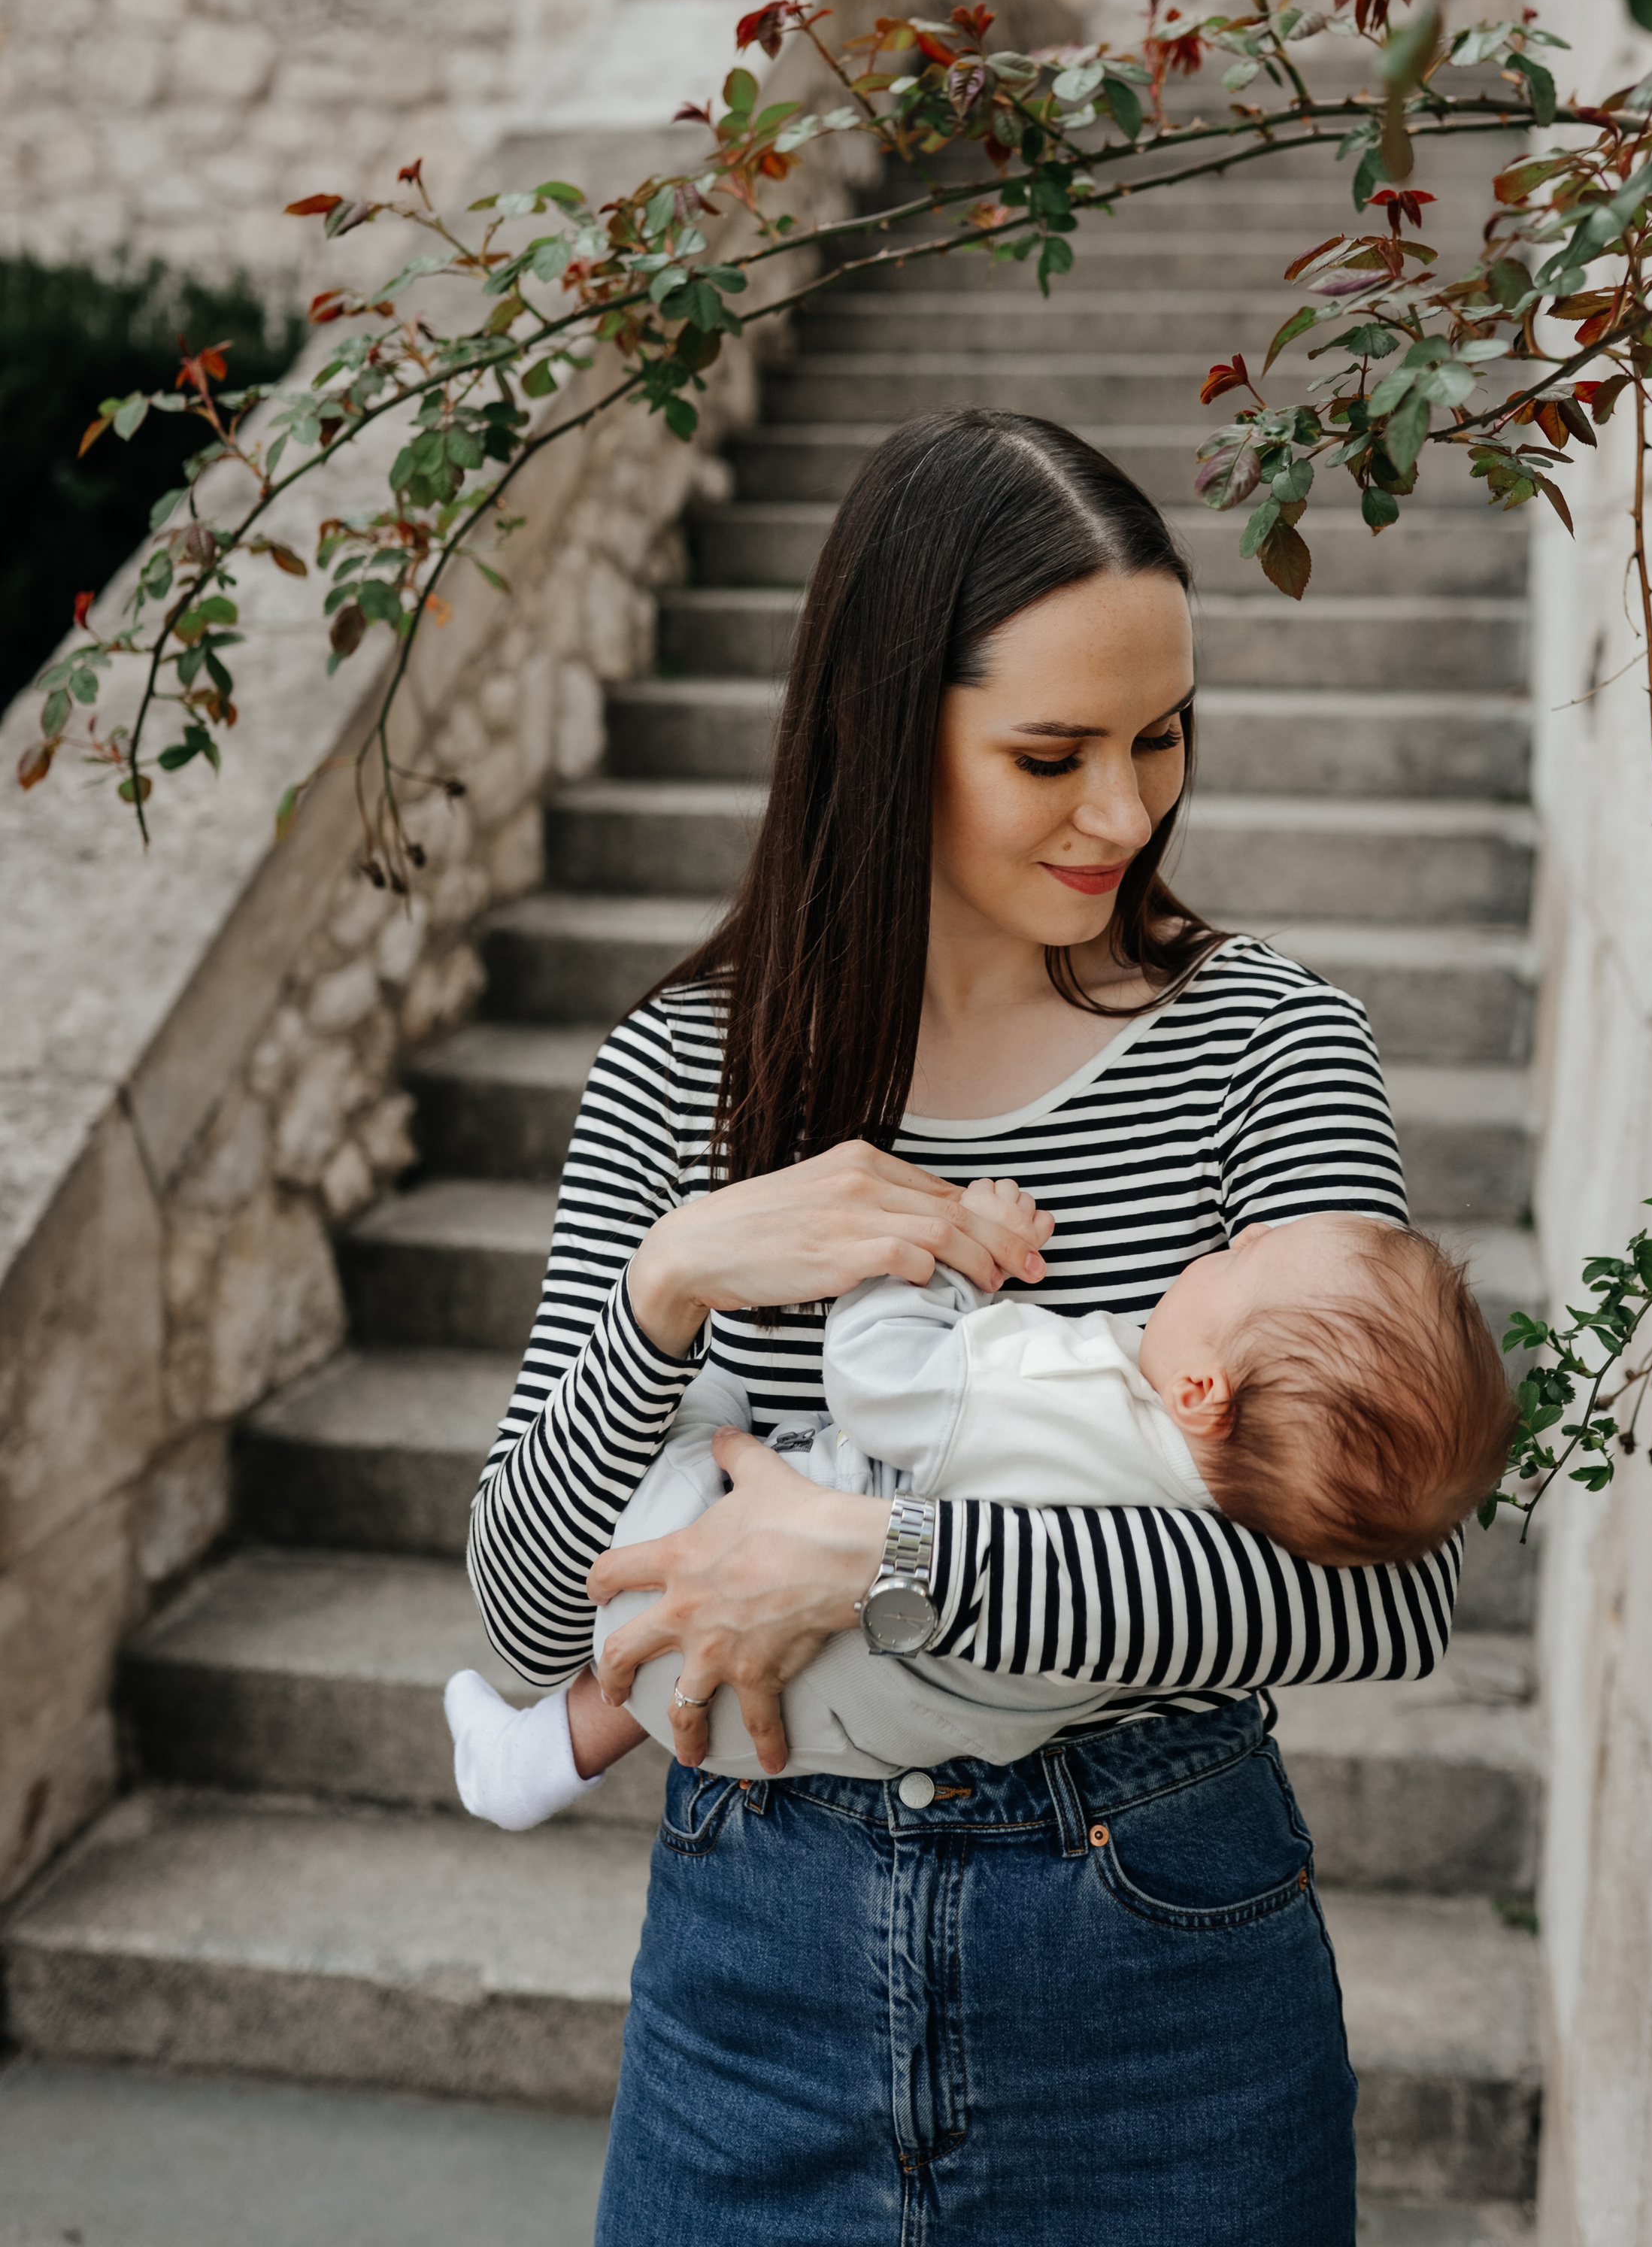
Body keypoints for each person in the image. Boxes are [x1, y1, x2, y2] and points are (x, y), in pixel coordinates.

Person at [465, 408, 1468, 2247]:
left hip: (1154, 1972)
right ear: (881, 730)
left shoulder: (1265, 1046)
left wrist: (888, 1563)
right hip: (748, 1977)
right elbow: (529, 1621)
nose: (1125, 811)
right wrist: (669, 1285)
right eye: (1048, 753)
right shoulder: (690, 1071)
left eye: (1160, 735)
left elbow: (1385, 1593)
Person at [447, 1203, 1514, 1805]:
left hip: (714, 1674)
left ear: (1202, 1391)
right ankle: (542, 1758)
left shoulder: (1077, 1395)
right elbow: (521, 1613)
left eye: (1230, 1258)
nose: (1205, 1253)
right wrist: (665, 1272)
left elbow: (881, 1380)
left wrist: (928, 1263)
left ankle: (538, 1762)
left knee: (707, 1409)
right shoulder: (1216, 1512)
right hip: (816, 1735)